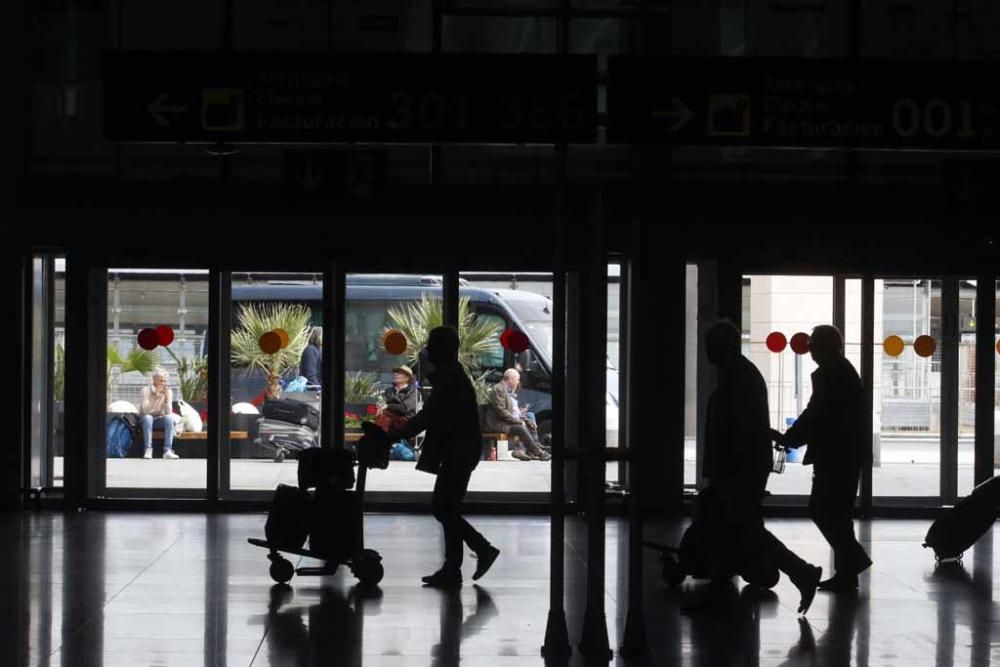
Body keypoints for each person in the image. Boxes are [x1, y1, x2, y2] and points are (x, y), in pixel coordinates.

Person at [702, 320, 820, 614]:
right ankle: (798, 572)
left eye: (711, 343)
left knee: (742, 528)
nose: (707, 350)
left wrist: (723, 470)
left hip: (739, 468)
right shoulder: (739, 374)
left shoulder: (737, 378)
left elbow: (735, 429)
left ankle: (801, 571)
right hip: (744, 466)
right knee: (740, 528)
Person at [387, 326, 501, 588]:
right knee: (448, 508)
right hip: (462, 450)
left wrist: (392, 436)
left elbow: (428, 417)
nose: (426, 351)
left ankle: (481, 549)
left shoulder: (448, 379)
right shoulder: (452, 375)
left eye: (430, 346)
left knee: (442, 507)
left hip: (458, 452)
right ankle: (453, 568)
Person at [773, 324, 872, 592]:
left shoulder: (832, 375)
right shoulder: (841, 372)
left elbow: (817, 415)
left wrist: (790, 438)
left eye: (813, 344)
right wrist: (792, 436)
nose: (810, 349)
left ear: (825, 346)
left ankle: (853, 561)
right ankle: (847, 572)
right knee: (838, 514)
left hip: (836, 455)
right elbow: (818, 413)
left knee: (823, 510)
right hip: (845, 454)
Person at [484, 369, 550, 461]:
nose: (518, 382)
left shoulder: (506, 390)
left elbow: (514, 412)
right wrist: (519, 421)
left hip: (505, 422)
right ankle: (539, 452)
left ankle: (525, 450)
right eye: (517, 379)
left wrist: (527, 421)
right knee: (520, 427)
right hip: (497, 424)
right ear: (511, 379)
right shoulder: (498, 389)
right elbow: (501, 411)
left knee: (528, 424)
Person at [139, 367, 180, 460]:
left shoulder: (168, 392)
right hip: (145, 420)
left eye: (165, 381)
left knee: (169, 418)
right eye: (161, 381)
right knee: (148, 418)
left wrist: (165, 399)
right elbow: (146, 411)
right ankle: (148, 449)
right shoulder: (146, 390)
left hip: (159, 420)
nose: (163, 383)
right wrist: (156, 396)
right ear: (154, 380)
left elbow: (168, 412)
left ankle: (167, 451)